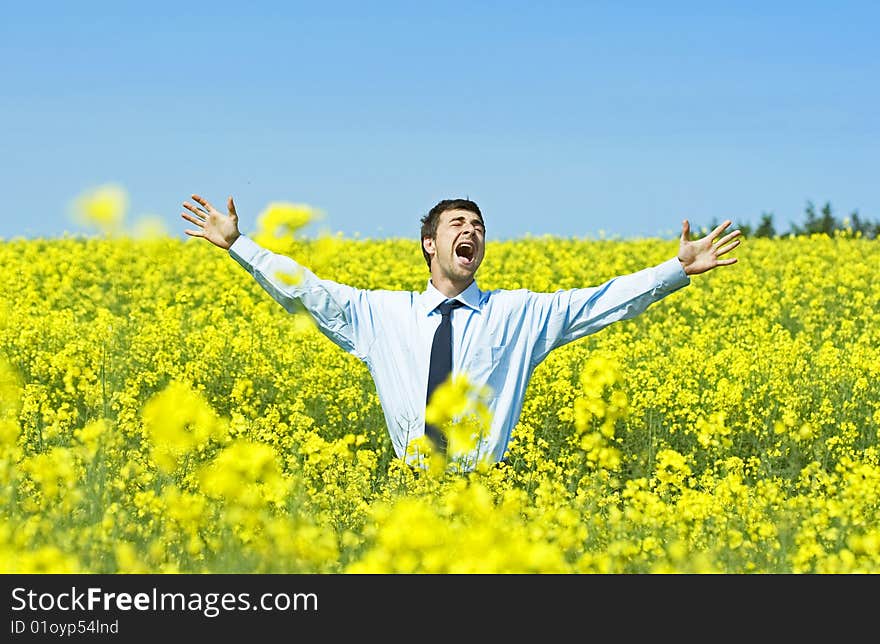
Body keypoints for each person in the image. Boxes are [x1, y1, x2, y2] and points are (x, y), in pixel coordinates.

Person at [181, 194, 741, 470]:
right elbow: (305, 289)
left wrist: (675, 271)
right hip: (410, 495)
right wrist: (239, 245)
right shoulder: (383, 316)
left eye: (478, 227)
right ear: (431, 244)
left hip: (487, 498)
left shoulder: (517, 315)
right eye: (457, 225)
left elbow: (598, 303)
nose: (470, 232)